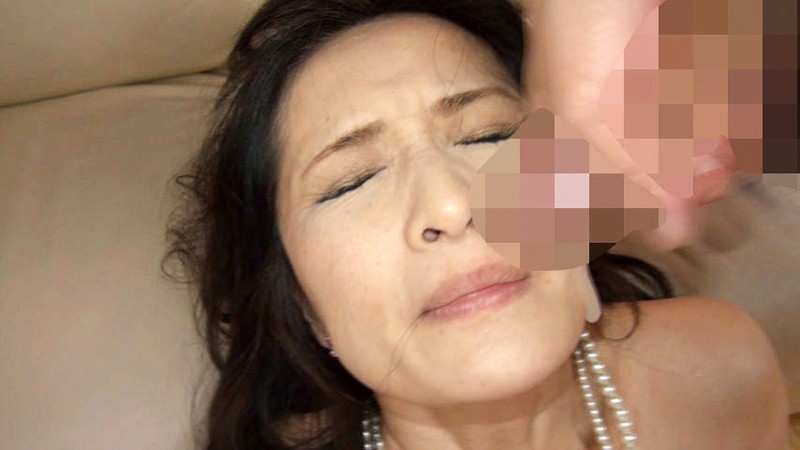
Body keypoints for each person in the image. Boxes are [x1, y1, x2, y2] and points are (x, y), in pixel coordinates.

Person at [164, 0, 789, 448]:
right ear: (303, 306)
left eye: (488, 134)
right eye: (352, 181)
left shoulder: (721, 367)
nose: (450, 205)